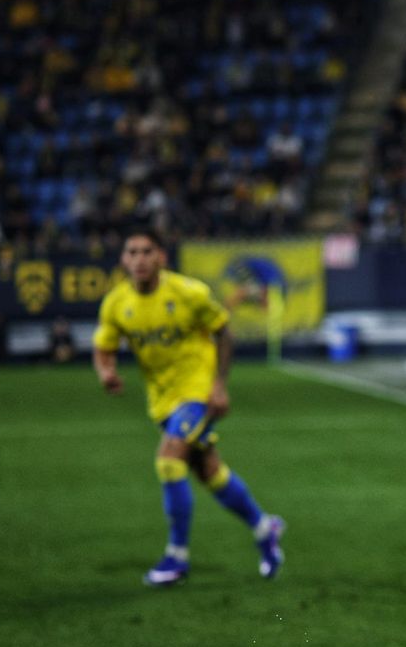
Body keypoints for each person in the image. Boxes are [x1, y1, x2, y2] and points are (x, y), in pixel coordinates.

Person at [92, 229, 284, 587]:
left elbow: (224, 331)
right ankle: (264, 529)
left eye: (147, 251)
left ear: (161, 257)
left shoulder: (188, 292)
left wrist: (219, 385)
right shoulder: (117, 303)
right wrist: (106, 372)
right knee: (209, 470)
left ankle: (176, 557)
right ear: (123, 260)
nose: (139, 259)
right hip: (162, 400)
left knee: (168, 460)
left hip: (197, 391)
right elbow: (103, 345)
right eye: (131, 252)